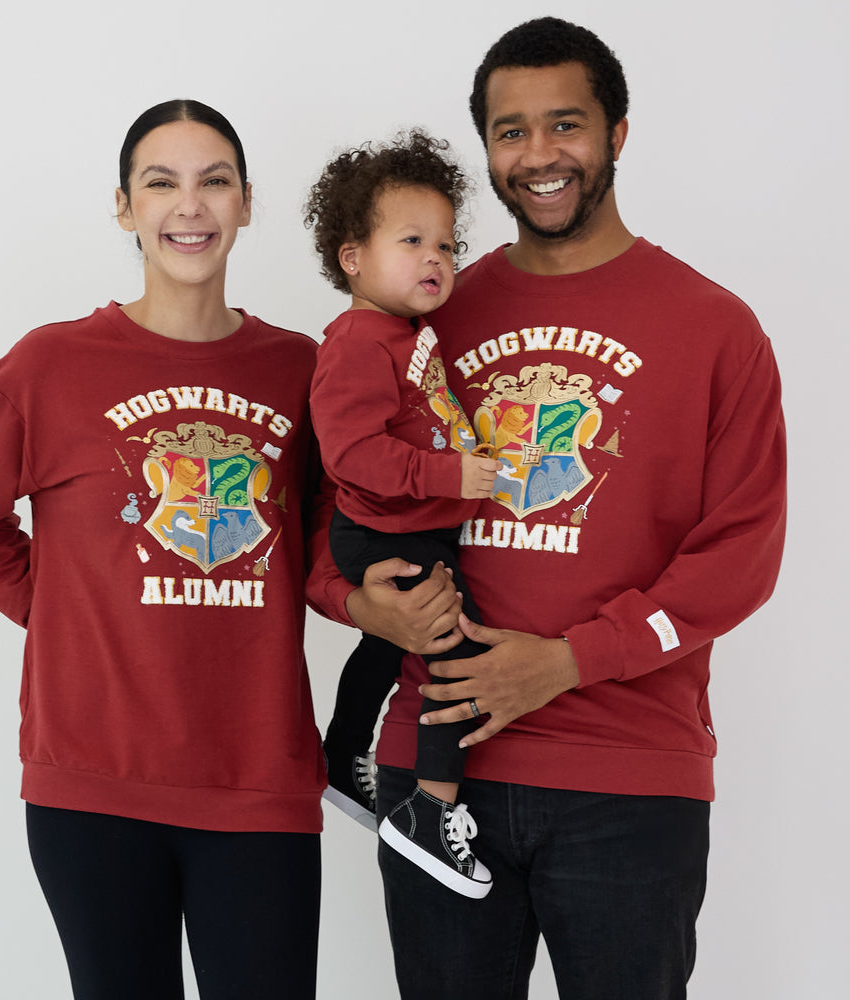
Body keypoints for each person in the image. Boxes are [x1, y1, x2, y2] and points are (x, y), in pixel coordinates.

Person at [308, 17, 786, 1000]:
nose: (537, 156)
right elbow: (328, 510)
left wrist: (572, 659)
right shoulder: (422, 316)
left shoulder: (714, 329)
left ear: (616, 133)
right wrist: (361, 605)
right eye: (509, 131)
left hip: (627, 781)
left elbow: (738, 556)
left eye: (563, 124)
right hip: (436, 768)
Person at [0, 100, 324, 1000]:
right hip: (91, 785)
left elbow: (334, 540)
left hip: (258, 775)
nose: (191, 207)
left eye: (215, 181)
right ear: (123, 207)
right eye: (162, 183)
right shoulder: (52, 365)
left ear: (248, 202)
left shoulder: (304, 369)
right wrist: (59, 610)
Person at [304, 130, 500, 898]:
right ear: (353, 257)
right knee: (461, 655)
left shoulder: (405, 335)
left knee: (388, 652)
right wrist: (451, 473)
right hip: (385, 530)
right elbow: (352, 454)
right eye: (412, 240)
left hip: (408, 525)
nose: (435, 259)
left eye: (447, 246)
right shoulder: (357, 342)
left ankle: (341, 751)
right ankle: (428, 807)